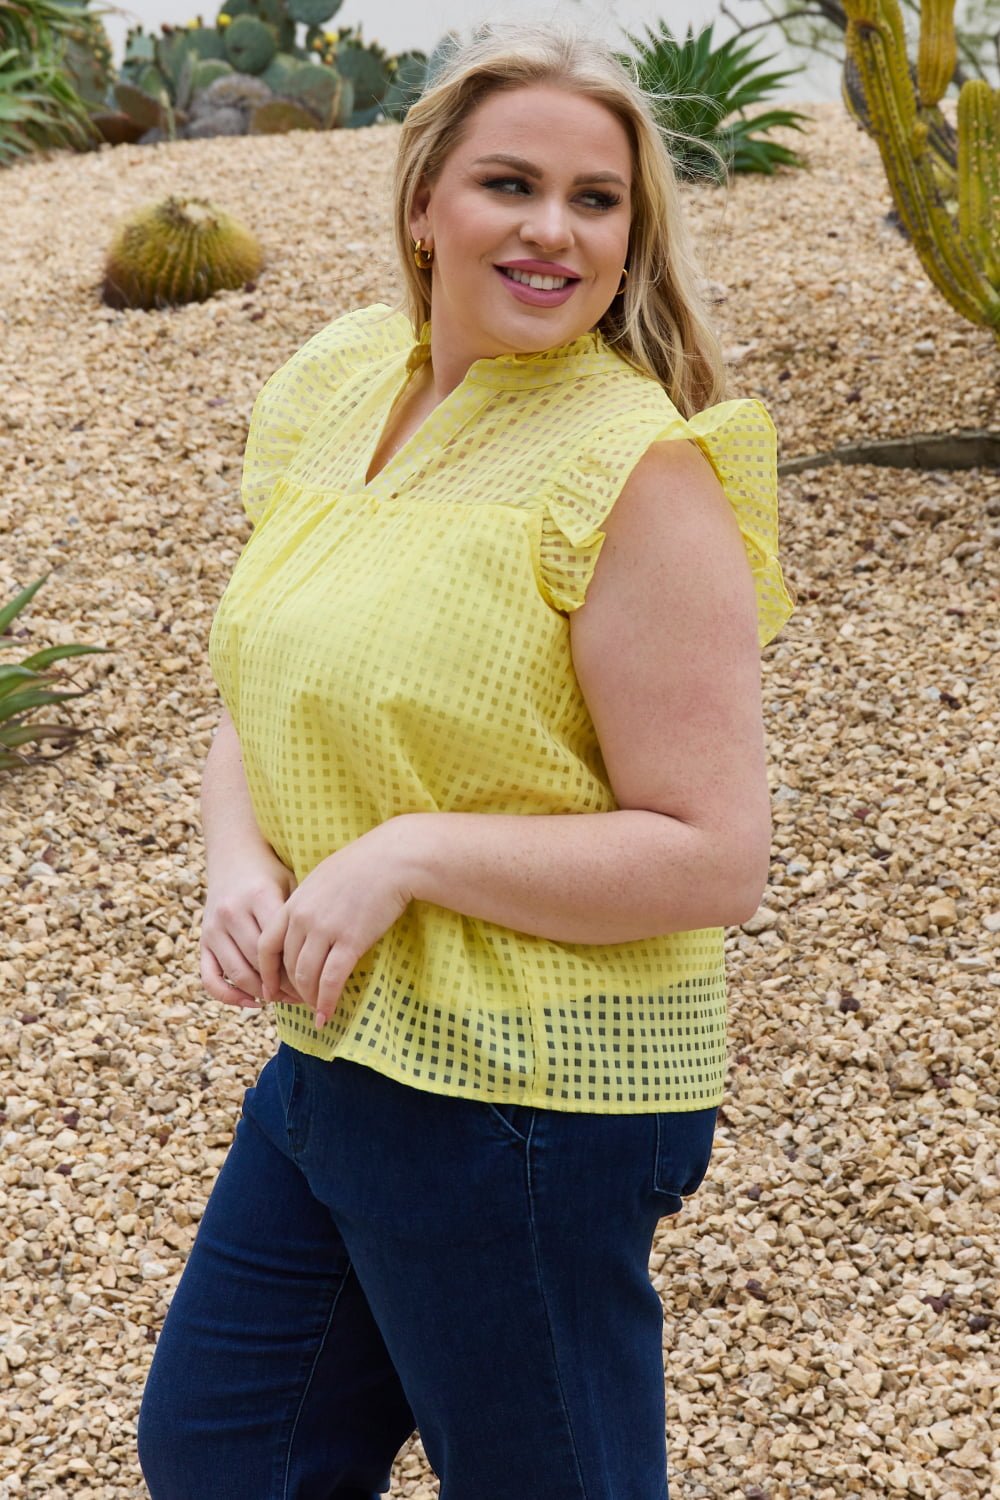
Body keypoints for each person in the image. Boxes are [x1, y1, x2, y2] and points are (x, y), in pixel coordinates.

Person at [137, 17, 793, 1500]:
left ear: (633, 233)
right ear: (425, 198)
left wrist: (404, 854)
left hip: (528, 1100)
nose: (554, 230)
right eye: (512, 184)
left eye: (597, 199)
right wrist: (236, 861)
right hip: (336, 1050)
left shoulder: (638, 475)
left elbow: (713, 853)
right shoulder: (344, 380)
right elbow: (270, 666)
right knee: (227, 1453)